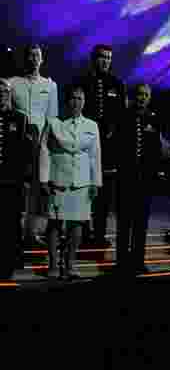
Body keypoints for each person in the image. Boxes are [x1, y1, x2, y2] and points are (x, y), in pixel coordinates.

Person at [38, 85, 101, 280]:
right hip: (58, 179)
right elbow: (44, 151)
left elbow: (95, 156)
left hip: (82, 182)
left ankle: (71, 263)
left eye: (80, 99)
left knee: (78, 225)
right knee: (54, 224)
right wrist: (44, 179)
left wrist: (95, 182)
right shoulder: (54, 123)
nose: (77, 102)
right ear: (66, 101)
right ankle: (53, 263)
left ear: (84, 102)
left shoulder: (92, 126)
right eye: (73, 98)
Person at [73, 44, 125, 249]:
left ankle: (100, 235)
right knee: (85, 192)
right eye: (103, 57)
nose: (106, 61)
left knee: (104, 194)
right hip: (85, 145)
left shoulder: (117, 84)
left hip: (109, 148)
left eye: (109, 58)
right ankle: (84, 234)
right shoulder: (81, 82)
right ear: (94, 58)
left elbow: (122, 116)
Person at [9, 43, 59, 249]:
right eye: (30, 55)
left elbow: (52, 117)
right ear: (25, 58)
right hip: (18, 145)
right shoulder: (12, 83)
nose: (34, 59)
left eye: (37, 55)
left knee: (38, 192)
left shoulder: (50, 85)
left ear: (42, 59)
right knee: (19, 190)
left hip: (42, 145)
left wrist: (43, 143)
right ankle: (14, 232)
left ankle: (31, 233)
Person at [115, 84, 164, 275]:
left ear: (149, 98)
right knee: (124, 223)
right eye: (139, 94)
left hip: (145, 180)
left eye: (146, 95)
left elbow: (156, 150)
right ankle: (121, 263)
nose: (142, 98)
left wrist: (156, 172)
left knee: (140, 224)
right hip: (126, 178)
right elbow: (116, 145)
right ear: (134, 97)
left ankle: (138, 261)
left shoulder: (154, 120)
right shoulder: (123, 117)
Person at [0, 79, 31, 279]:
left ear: (10, 94)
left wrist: (23, 178)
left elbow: (24, 152)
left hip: (12, 182)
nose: (1, 95)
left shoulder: (20, 118)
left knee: (11, 224)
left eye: (4, 92)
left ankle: (9, 264)